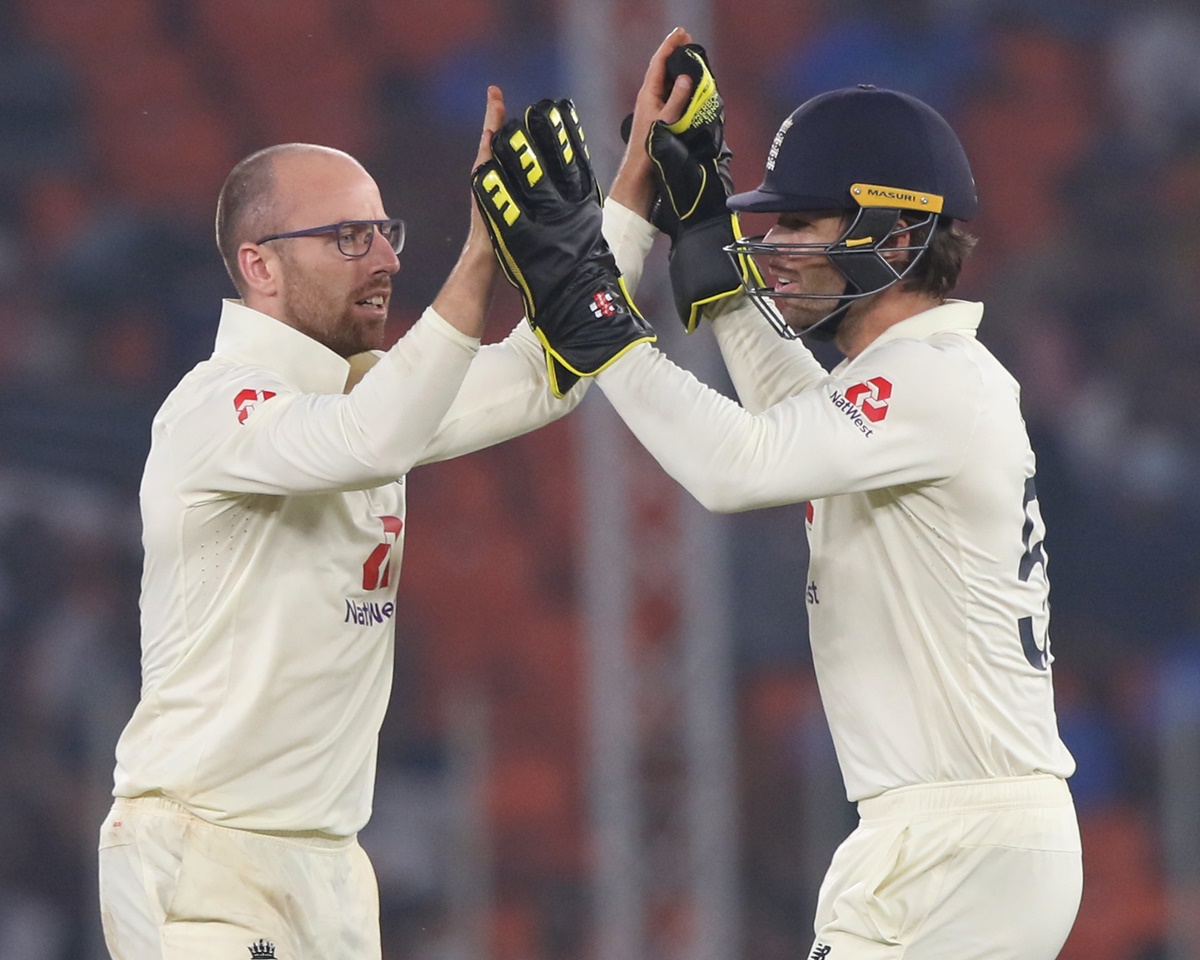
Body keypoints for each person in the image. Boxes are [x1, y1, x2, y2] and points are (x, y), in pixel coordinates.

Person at [477, 30, 1083, 960]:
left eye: (801, 225)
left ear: (893, 232)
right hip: (958, 839)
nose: (779, 245)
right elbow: (795, 417)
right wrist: (703, 239)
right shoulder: (920, 382)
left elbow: (739, 466)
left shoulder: (933, 381)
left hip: (955, 845)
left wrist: (590, 312)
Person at [97, 86, 653, 960]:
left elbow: (554, 370)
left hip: (330, 870)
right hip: (204, 860)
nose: (383, 258)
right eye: (347, 238)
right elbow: (373, 435)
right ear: (260, 267)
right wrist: (479, 258)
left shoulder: (369, 394)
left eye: (385, 232)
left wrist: (628, 202)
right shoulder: (214, 410)